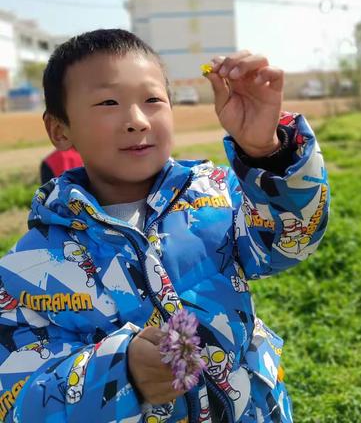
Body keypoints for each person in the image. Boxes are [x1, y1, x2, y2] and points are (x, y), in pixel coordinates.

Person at [0, 29, 329, 422]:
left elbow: (291, 242)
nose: (137, 121)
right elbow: (19, 402)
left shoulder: (217, 195)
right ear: (60, 130)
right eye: (109, 102)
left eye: (153, 100)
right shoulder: (27, 270)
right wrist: (121, 372)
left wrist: (265, 153)